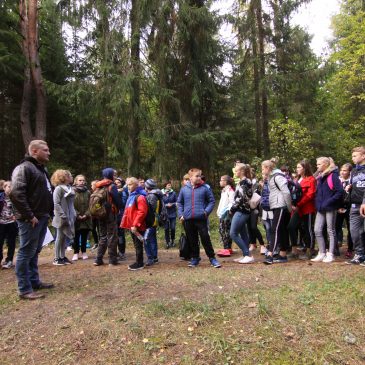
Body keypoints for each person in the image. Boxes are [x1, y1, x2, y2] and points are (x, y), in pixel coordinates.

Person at [10, 140, 54, 300]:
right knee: (26, 251)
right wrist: (30, 215)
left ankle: (34, 282)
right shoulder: (24, 168)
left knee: (35, 251)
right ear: (34, 151)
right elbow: (16, 193)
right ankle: (24, 289)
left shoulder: (41, 169)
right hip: (30, 218)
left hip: (41, 216)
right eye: (46, 150)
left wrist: (48, 213)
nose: (49, 153)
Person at [177, 168, 221, 268]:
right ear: (190, 177)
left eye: (200, 176)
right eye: (197, 176)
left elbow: (211, 201)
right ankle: (195, 258)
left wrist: (206, 212)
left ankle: (212, 258)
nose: (199, 178)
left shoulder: (205, 188)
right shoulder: (184, 189)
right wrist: (181, 214)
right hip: (187, 219)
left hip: (201, 219)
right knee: (192, 239)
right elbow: (179, 202)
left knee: (205, 238)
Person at [311, 157, 344, 263]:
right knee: (317, 230)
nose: (317, 166)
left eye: (319, 164)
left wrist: (328, 202)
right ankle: (321, 252)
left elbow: (340, 192)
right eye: (317, 164)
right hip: (320, 208)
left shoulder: (333, 176)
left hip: (330, 207)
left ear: (326, 164)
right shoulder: (320, 177)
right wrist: (318, 203)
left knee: (331, 230)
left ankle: (331, 254)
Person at [262, 159, 292, 264]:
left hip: (281, 206)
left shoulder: (278, 177)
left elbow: (286, 192)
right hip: (276, 206)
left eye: (262, 168)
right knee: (281, 230)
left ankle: (270, 254)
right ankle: (283, 254)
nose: (262, 171)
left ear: (267, 168)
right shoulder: (271, 178)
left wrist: (289, 207)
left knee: (274, 229)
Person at [288, 160, 316, 260]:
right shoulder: (297, 180)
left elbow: (310, 194)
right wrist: (292, 203)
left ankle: (310, 250)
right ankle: (294, 250)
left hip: (307, 208)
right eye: (297, 167)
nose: (297, 169)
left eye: (299, 167)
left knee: (307, 229)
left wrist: (298, 204)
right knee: (291, 227)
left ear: (305, 168)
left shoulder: (311, 179)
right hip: (296, 209)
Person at [93, 168, 121, 266]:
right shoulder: (112, 186)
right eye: (114, 175)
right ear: (109, 175)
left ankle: (98, 259)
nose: (115, 176)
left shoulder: (98, 185)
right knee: (112, 236)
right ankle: (112, 260)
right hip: (110, 213)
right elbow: (117, 200)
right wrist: (119, 207)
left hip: (100, 213)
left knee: (103, 236)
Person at [229, 163, 254, 264]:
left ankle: (247, 254)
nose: (235, 172)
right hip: (240, 209)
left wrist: (232, 209)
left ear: (242, 171)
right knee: (243, 233)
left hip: (242, 210)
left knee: (233, 233)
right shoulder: (241, 182)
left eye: (236, 170)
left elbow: (241, 197)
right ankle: (246, 255)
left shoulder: (246, 181)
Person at [121, 177, 148, 270]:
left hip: (137, 226)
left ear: (136, 185)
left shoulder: (140, 197)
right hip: (132, 225)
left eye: (130, 184)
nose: (128, 186)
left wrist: (135, 225)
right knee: (136, 244)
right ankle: (138, 261)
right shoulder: (131, 196)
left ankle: (139, 263)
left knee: (138, 244)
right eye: (127, 184)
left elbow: (142, 212)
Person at [51, 169, 76, 266]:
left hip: (70, 216)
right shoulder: (58, 189)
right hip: (61, 217)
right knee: (59, 237)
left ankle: (62, 256)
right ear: (63, 177)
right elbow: (56, 204)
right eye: (69, 176)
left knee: (64, 237)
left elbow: (71, 203)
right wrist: (63, 215)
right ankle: (57, 258)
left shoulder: (69, 188)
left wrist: (73, 214)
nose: (71, 177)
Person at [346, 147, 365, 265]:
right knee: (354, 231)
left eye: (355, 156)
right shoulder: (353, 171)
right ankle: (359, 254)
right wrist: (349, 188)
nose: (353, 158)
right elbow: (355, 184)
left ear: (363, 156)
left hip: (364, 205)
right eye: (352, 156)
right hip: (354, 206)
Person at [72, 174, 92, 261]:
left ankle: (84, 251)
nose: (82, 182)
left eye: (83, 180)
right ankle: (76, 252)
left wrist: (86, 214)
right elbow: (70, 205)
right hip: (76, 218)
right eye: (80, 180)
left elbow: (91, 205)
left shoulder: (88, 192)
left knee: (84, 236)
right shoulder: (72, 191)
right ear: (76, 181)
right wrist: (77, 214)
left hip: (86, 218)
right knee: (76, 236)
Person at [335, 163, 353, 258]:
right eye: (341, 170)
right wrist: (338, 207)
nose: (342, 172)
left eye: (345, 170)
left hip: (349, 207)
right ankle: (336, 248)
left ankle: (350, 249)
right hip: (338, 208)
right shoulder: (337, 180)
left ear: (350, 172)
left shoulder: (352, 181)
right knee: (336, 227)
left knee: (350, 229)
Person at [144, 179, 163, 266]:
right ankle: (154, 257)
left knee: (146, 238)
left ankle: (150, 258)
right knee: (152, 238)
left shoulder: (152, 195)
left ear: (147, 186)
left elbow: (150, 209)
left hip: (151, 220)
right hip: (155, 219)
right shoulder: (157, 193)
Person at [0, 181, 17, 269]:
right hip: (1, 223)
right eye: (8, 186)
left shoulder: (15, 198)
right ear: (4, 188)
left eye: (12, 186)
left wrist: (16, 216)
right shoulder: (1, 197)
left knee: (11, 242)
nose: (10, 188)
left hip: (11, 223)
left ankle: (9, 260)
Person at [216, 175, 235, 257]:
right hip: (222, 214)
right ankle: (227, 248)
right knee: (222, 230)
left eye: (221, 180)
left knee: (226, 231)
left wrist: (228, 211)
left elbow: (232, 202)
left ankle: (227, 248)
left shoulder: (230, 191)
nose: (220, 182)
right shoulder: (224, 191)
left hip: (226, 215)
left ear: (226, 181)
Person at [115, 177, 128, 260]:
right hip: (113, 217)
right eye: (115, 182)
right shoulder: (112, 191)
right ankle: (114, 252)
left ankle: (121, 252)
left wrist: (118, 194)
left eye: (118, 182)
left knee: (120, 235)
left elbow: (123, 203)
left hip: (120, 216)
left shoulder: (123, 192)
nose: (116, 184)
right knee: (113, 235)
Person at [161, 181, 177, 249]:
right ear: (165, 186)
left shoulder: (173, 193)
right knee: (166, 228)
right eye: (168, 185)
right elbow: (160, 203)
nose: (170, 186)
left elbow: (177, 202)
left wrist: (172, 204)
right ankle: (167, 242)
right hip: (165, 214)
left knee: (173, 228)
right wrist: (166, 205)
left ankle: (172, 241)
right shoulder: (162, 194)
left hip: (173, 213)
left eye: (170, 185)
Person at [259, 174, 272, 255]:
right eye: (262, 174)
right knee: (267, 227)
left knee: (270, 227)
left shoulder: (271, 184)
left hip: (270, 209)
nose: (263, 175)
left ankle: (273, 246)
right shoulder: (263, 185)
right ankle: (269, 244)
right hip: (264, 210)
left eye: (265, 174)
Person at [90, 180, 100, 250]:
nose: (91, 187)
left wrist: (97, 210)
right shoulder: (90, 193)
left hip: (99, 216)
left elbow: (98, 204)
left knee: (100, 230)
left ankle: (100, 244)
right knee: (93, 229)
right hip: (92, 216)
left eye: (92, 185)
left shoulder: (100, 193)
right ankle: (96, 243)